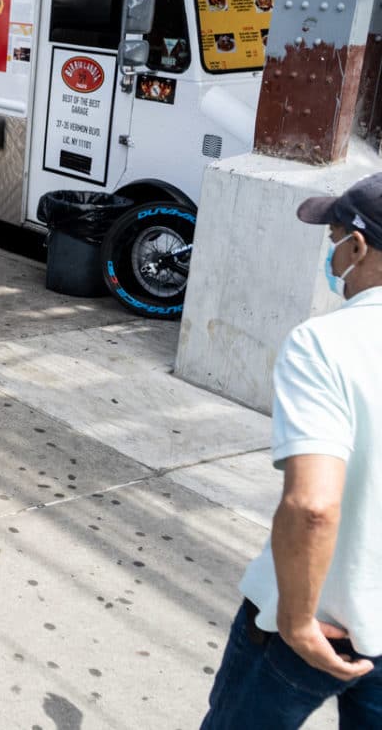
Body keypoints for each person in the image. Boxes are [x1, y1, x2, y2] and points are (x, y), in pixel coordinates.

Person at [199, 173, 382, 729]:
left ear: (358, 247)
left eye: (333, 239)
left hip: (316, 624)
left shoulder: (326, 343)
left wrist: (298, 623)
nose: (332, 254)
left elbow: (312, 506)